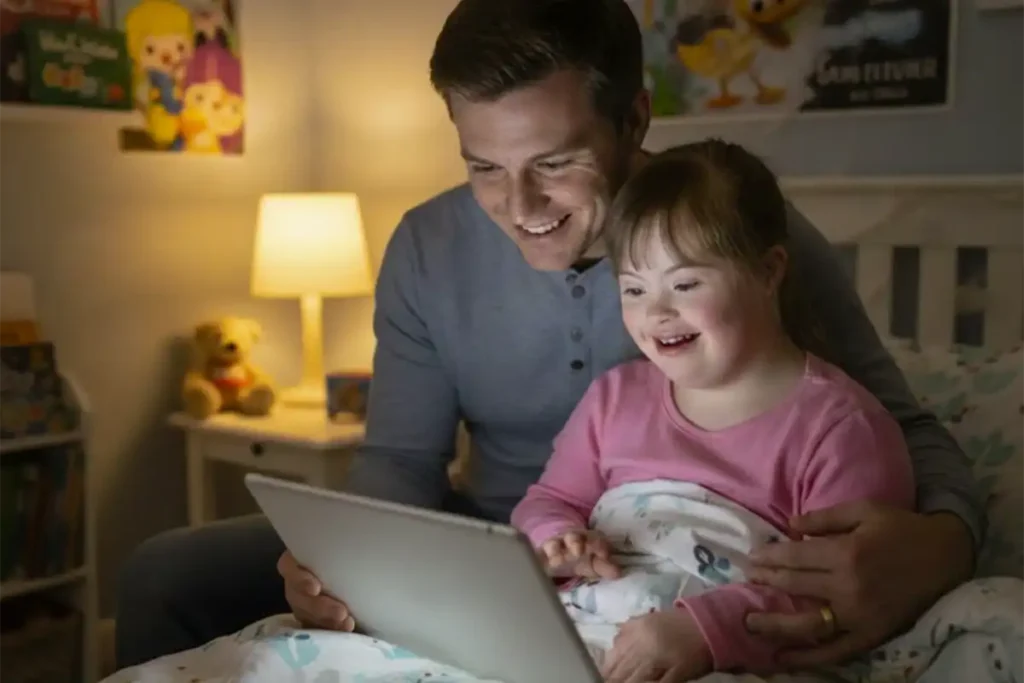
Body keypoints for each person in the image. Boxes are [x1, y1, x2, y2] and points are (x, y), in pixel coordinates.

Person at [115, 0, 983, 671]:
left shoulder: (734, 240)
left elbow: (901, 425)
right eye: (484, 167)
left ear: (633, 120)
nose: (519, 207)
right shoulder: (426, 247)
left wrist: (943, 544)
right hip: (484, 542)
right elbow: (400, 465)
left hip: (671, 565)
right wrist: (340, 559)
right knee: (164, 572)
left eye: (556, 163)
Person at [509, 139, 917, 682]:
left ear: (768, 272)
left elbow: (840, 592)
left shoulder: (840, 428)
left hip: (723, 655)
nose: (656, 312)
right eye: (633, 289)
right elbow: (549, 500)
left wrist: (702, 632)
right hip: (586, 631)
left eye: (684, 284)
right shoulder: (613, 400)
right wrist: (557, 539)